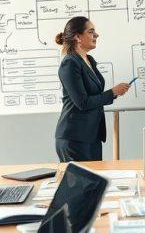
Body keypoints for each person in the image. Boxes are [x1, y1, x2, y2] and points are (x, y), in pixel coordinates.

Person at [54, 17, 130, 161]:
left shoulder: (90, 61)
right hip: (74, 138)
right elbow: (82, 102)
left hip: (91, 135)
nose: (96, 35)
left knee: (94, 181)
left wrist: (114, 94)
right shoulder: (70, 63)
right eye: (91, 32)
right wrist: (112, 92)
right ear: (78, 37)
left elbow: (95, 95)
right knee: (81, 183)